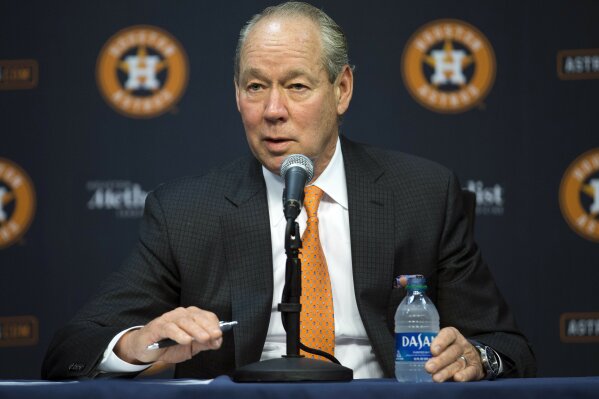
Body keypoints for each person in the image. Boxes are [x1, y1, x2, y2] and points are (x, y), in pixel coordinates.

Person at [42, 1, 536, 381]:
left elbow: (507, 347)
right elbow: (73, 349)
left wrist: (477, 357)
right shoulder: (184, 212)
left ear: (341, 90)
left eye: (297, 86)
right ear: (236, 94)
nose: (272, 110)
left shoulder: (424, 194)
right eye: (255, 87)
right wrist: (136, 344)